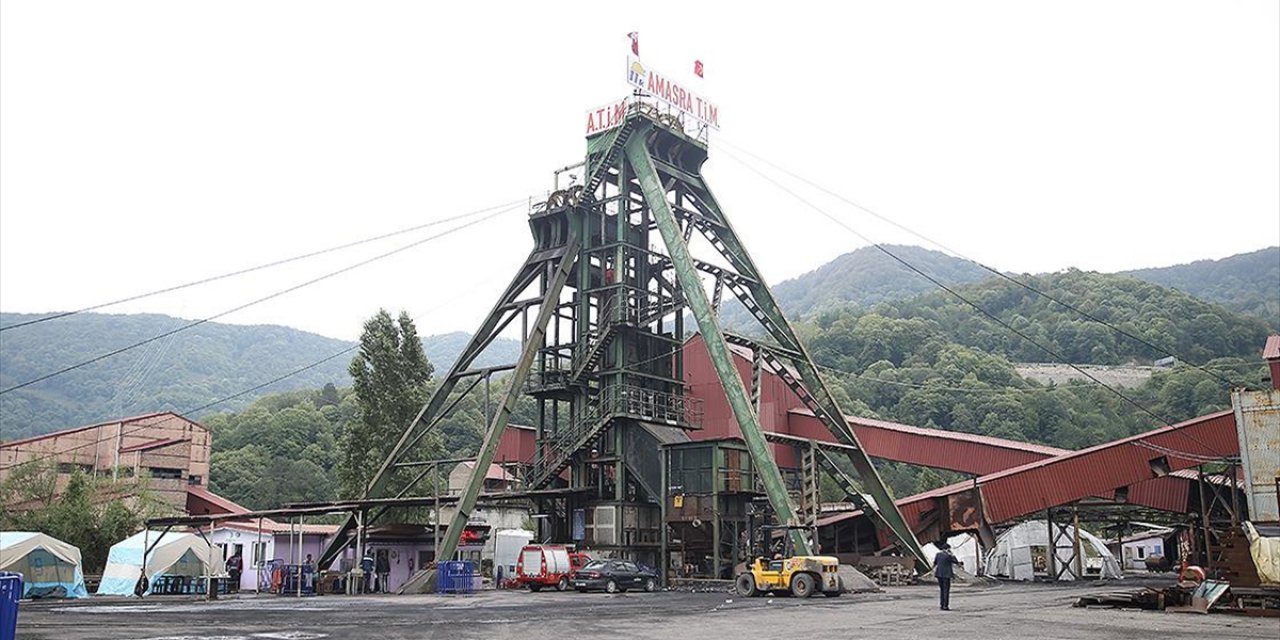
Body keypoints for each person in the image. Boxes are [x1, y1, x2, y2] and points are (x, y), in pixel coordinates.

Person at [933, 541, 962, 611]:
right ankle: (945, 605)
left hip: (939, 574)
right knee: (946, 590)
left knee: (942, 590)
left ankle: (942, 604)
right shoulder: (948, 556)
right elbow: (955, 561)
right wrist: (952, 555)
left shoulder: (938, 554)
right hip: (946, 575)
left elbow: (935, 562)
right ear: (947, 549)